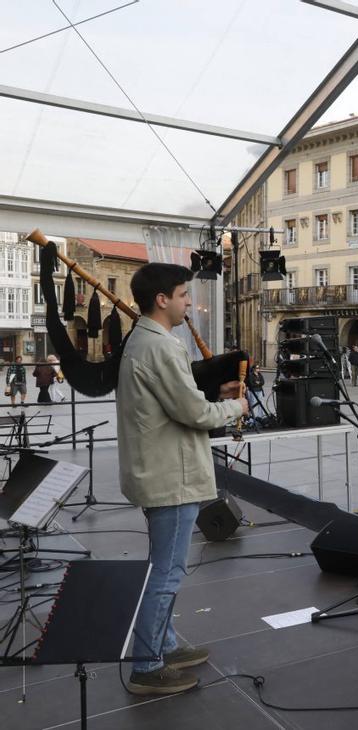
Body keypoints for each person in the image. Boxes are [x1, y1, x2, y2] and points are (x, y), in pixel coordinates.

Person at [118, 263, 247, 695]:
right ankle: (147, 664)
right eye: (183, 294)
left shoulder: (146, 341)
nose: (189, 302)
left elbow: (179, 399)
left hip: (162, 471)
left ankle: (164, 644)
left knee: (165, 567)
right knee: (167, 572)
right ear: (162, 299)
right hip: (170, 476)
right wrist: (235, 409)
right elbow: (192, 413)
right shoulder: (160, 347)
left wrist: (214, 395)